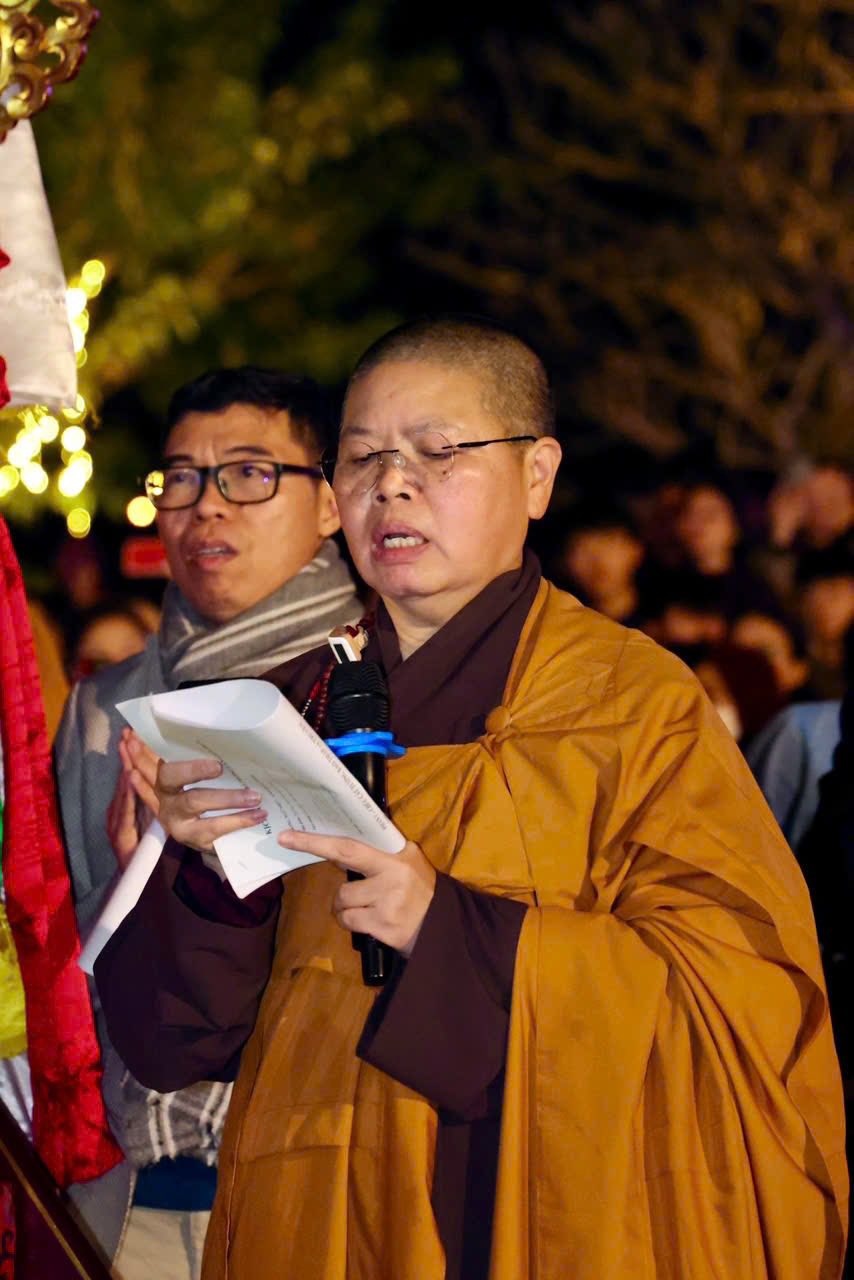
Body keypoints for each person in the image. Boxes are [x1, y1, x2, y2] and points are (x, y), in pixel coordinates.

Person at [95, 318, 848, 1280]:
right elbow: (176, 1044)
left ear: (537, 475)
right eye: (362, 458)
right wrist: (207, 877)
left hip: (525, 1206)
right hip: (313, 1212)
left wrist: (446, 930)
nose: (392, 485)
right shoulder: (282, 710)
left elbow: (743, 998)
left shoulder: (633, 706)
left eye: (438, 451)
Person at [55, 366, 362, 1275]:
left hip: (318, 1195)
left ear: (331, 502)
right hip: (127, 1200)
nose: (207, 506)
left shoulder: (372, 685)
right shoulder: (102, 706)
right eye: (182, 477)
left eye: (251, 473)